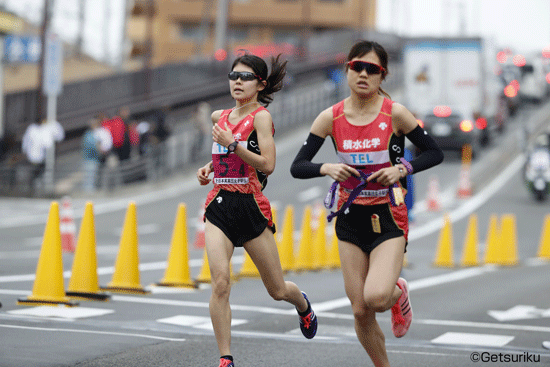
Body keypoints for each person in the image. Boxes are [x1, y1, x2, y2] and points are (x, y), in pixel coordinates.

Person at [290, 40, 443, 367]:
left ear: (382, 76)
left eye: (371, 69)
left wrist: (401, 169)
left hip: (388, 214)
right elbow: (297, 166)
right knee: (359, 309)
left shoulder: (395, 114)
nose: (363, 74)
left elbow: (434, 151)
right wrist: (327, 167)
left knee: (375, 297)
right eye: (356, 66)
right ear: (346, 70)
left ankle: (397, 293)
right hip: (350, 217)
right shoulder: (329, 118)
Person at [196, 53, 317, 367]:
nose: (237, 81)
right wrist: (210, 167)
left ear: (260, 83)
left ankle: (302, 304)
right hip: (220, 203)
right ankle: (226, 358)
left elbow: (268, 164)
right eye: (233, 75)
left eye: (246, 77)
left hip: (250, 206)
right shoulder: (218, 117)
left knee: (277, 289)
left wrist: (232, 145)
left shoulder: (261, 117)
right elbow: (228, 155)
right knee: (220, 282)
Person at [21, 119, 64, 195]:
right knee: (35, 172)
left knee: (36, 173)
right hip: (36, 157)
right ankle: (33, 188)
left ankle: (33, 187)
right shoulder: (34, 130)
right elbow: (48, 143)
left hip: (37, 157)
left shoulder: (36, 130)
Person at [81, 117, 102, 192]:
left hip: (94, 159)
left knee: (93, 176)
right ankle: (88, 192)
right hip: (90, 159)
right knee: (89, 177)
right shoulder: (89, 135)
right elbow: (93, 146)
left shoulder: (93, 134)